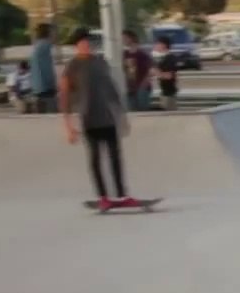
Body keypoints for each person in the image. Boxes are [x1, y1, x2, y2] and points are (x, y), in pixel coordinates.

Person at [59, 26, 134, 210]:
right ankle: (103, 197)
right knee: (95, 159)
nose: (86, 46)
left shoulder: (100, 62)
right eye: (82, 43)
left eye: (88, 42)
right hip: (88, 118)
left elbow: (111, 89)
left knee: (115, 157)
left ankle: (122, 194)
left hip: (107, 116)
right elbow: (65, 97)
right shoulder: (72, 67)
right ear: (77, 45)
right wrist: (68, 126)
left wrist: (122, 115)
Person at [29, 23, 58, 113]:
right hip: (46, 88)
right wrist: (53, 84)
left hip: (38, 87)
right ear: (48, 32)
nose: (55, 34)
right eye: (53, 32)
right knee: (51, 115)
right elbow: (47, 69)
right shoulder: (46, 46)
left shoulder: (37, 46)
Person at [122, 29, 153, 112]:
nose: (123, 40)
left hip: (142, 87)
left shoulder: (142, 54)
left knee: (143, 111)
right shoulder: (125, 54)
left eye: (125, 38)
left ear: (131, 38)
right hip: (130, 87)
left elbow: (150, 70)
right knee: (132, 111)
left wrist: (144, 84)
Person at [153, 35, 180, 111]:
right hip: (165, 92)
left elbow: (169, 76)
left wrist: (157, 72)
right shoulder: (164, 59)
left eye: (157, 44)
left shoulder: (170, 59)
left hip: (169, 93)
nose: (156, 46)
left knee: (169, 114)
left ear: (164, 45)